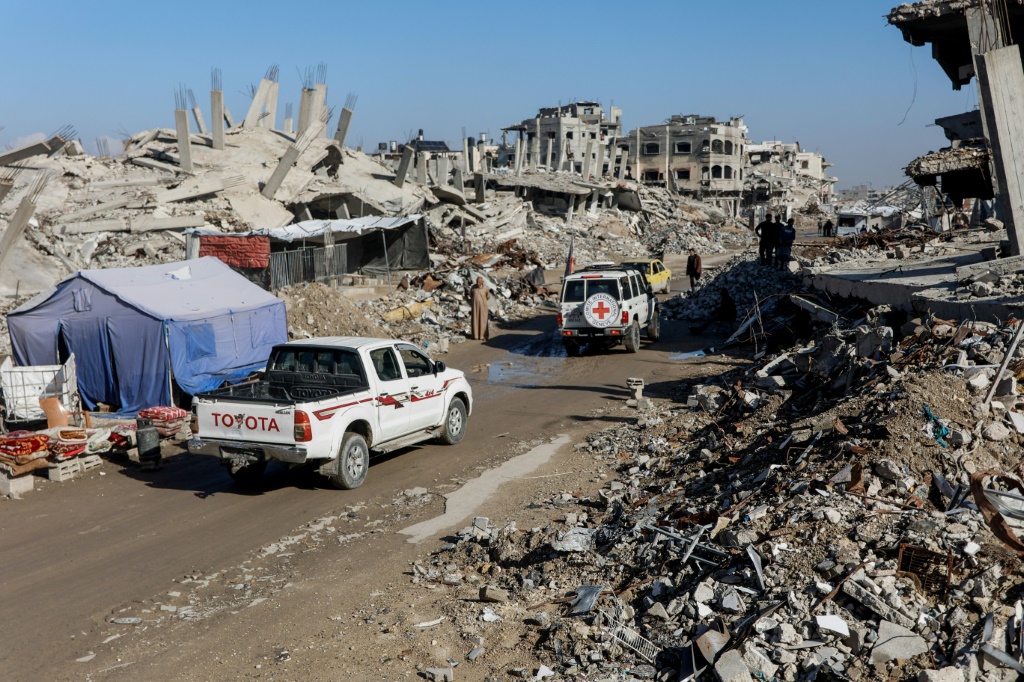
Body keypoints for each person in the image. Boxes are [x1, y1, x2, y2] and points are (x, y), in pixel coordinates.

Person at [470, 276, 490, 340]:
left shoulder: (486, 288)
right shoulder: (473, 287)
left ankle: (483, 336)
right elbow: (471, 295)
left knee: (483, 321)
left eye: (479, 282)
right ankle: (475, 336)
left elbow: (488, 297)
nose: (478, 283)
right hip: (475, 307)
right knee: (475, 320)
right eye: (477, 282)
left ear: (482, 282)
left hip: (483, 307)